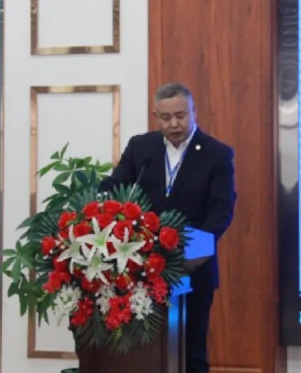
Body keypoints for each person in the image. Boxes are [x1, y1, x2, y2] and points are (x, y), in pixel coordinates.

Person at [100, 82, 236, 373]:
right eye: (166, 117)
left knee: (192, 351)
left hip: (193, 267)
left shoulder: (217, 154)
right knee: (145, 352)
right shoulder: (141, 148)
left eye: (181, 116)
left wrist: (196, 251)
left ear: (194, 112)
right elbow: (116, 187)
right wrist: (94, 201)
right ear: (155, 117)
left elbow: (221, 209)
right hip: (142, 268)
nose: (174, 124)